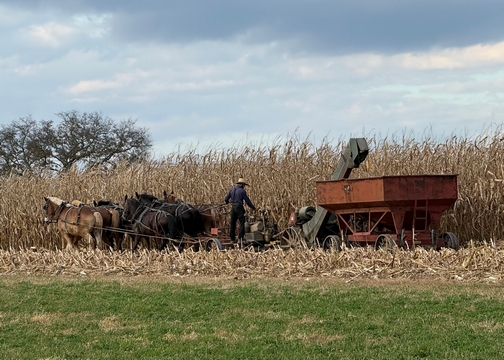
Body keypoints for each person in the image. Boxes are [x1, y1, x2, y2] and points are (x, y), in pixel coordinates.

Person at [224, 178, 256, 243]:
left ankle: (232, 239)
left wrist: (227, 202)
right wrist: (253, 207)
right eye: (244, 185)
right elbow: (247, 201)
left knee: (232, 223)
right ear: (242, 185)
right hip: (239, 207)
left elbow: (226, 199)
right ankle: (240, 238)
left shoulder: (232, 190)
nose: (244, 186)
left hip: (233, 207)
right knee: (243, 222)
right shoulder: (242, 191)